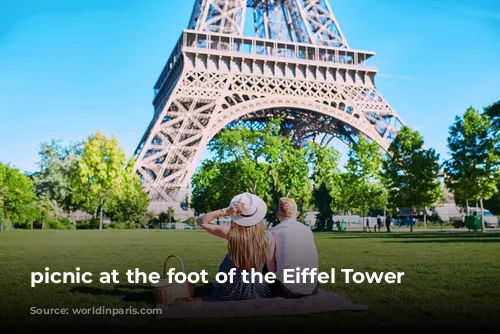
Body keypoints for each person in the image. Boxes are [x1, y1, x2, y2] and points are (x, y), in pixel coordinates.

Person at [196, 192, 275, 300]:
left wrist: (226, 211)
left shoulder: (230, 232)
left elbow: (201, 221)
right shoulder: (268, 236)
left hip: (231, 287)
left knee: (218, 282)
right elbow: (271, 268)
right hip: (257, 287)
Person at [268, 197, 319, 298]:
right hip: (312, 288)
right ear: (297, 214)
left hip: (286, 291)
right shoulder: (307, 230)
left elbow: (271, 269)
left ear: (278, 214)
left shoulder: (272, 232)